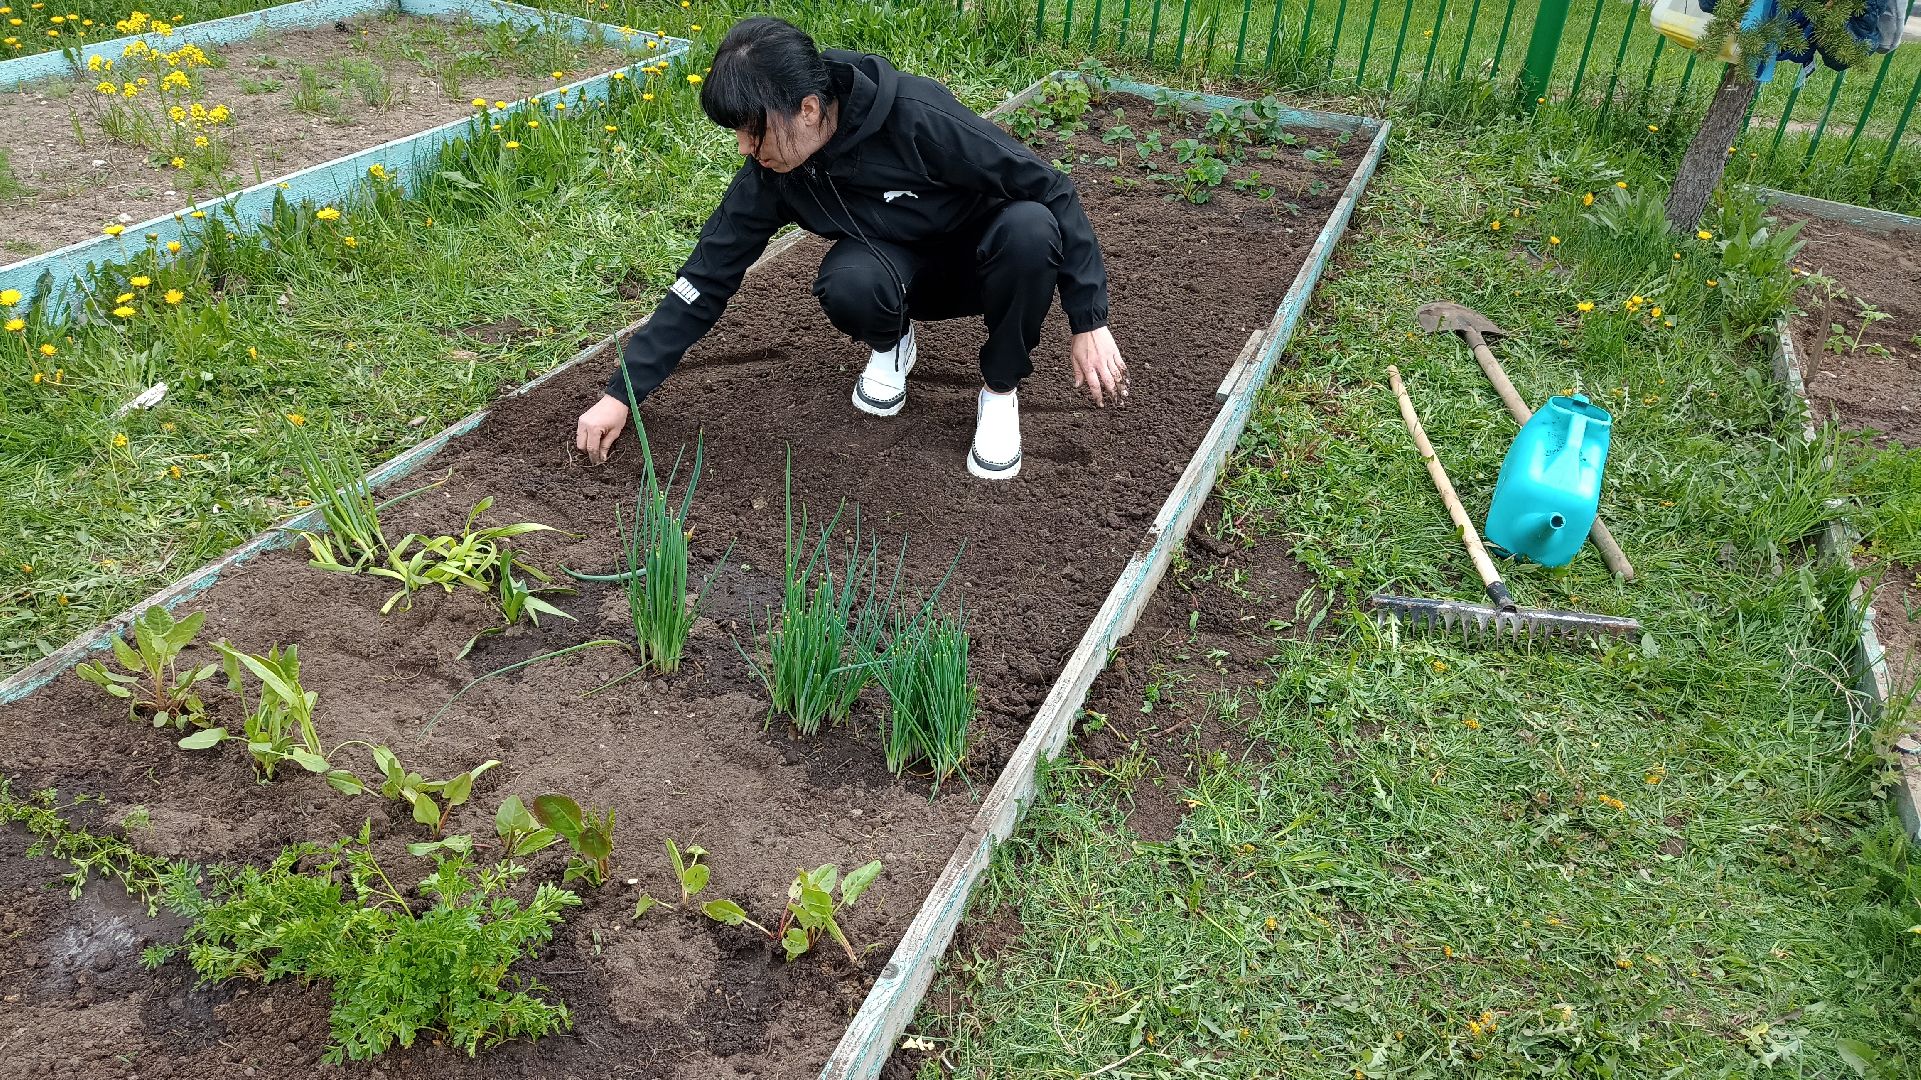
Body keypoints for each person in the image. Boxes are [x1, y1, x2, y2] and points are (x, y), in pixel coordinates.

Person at [574, 15, 1127, 481]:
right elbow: (707, 276)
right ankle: (892, 341)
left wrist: (1088, 319)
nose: (745, 147)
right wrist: (623, 391)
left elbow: (1051, 187)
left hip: (987, 264)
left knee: (1031, 229)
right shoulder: (773, 171)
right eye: (736, 134)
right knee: (849, 282)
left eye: (752, 130)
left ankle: (999, 390)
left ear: (808, 110)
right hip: (894, 275)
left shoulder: (917, 117)